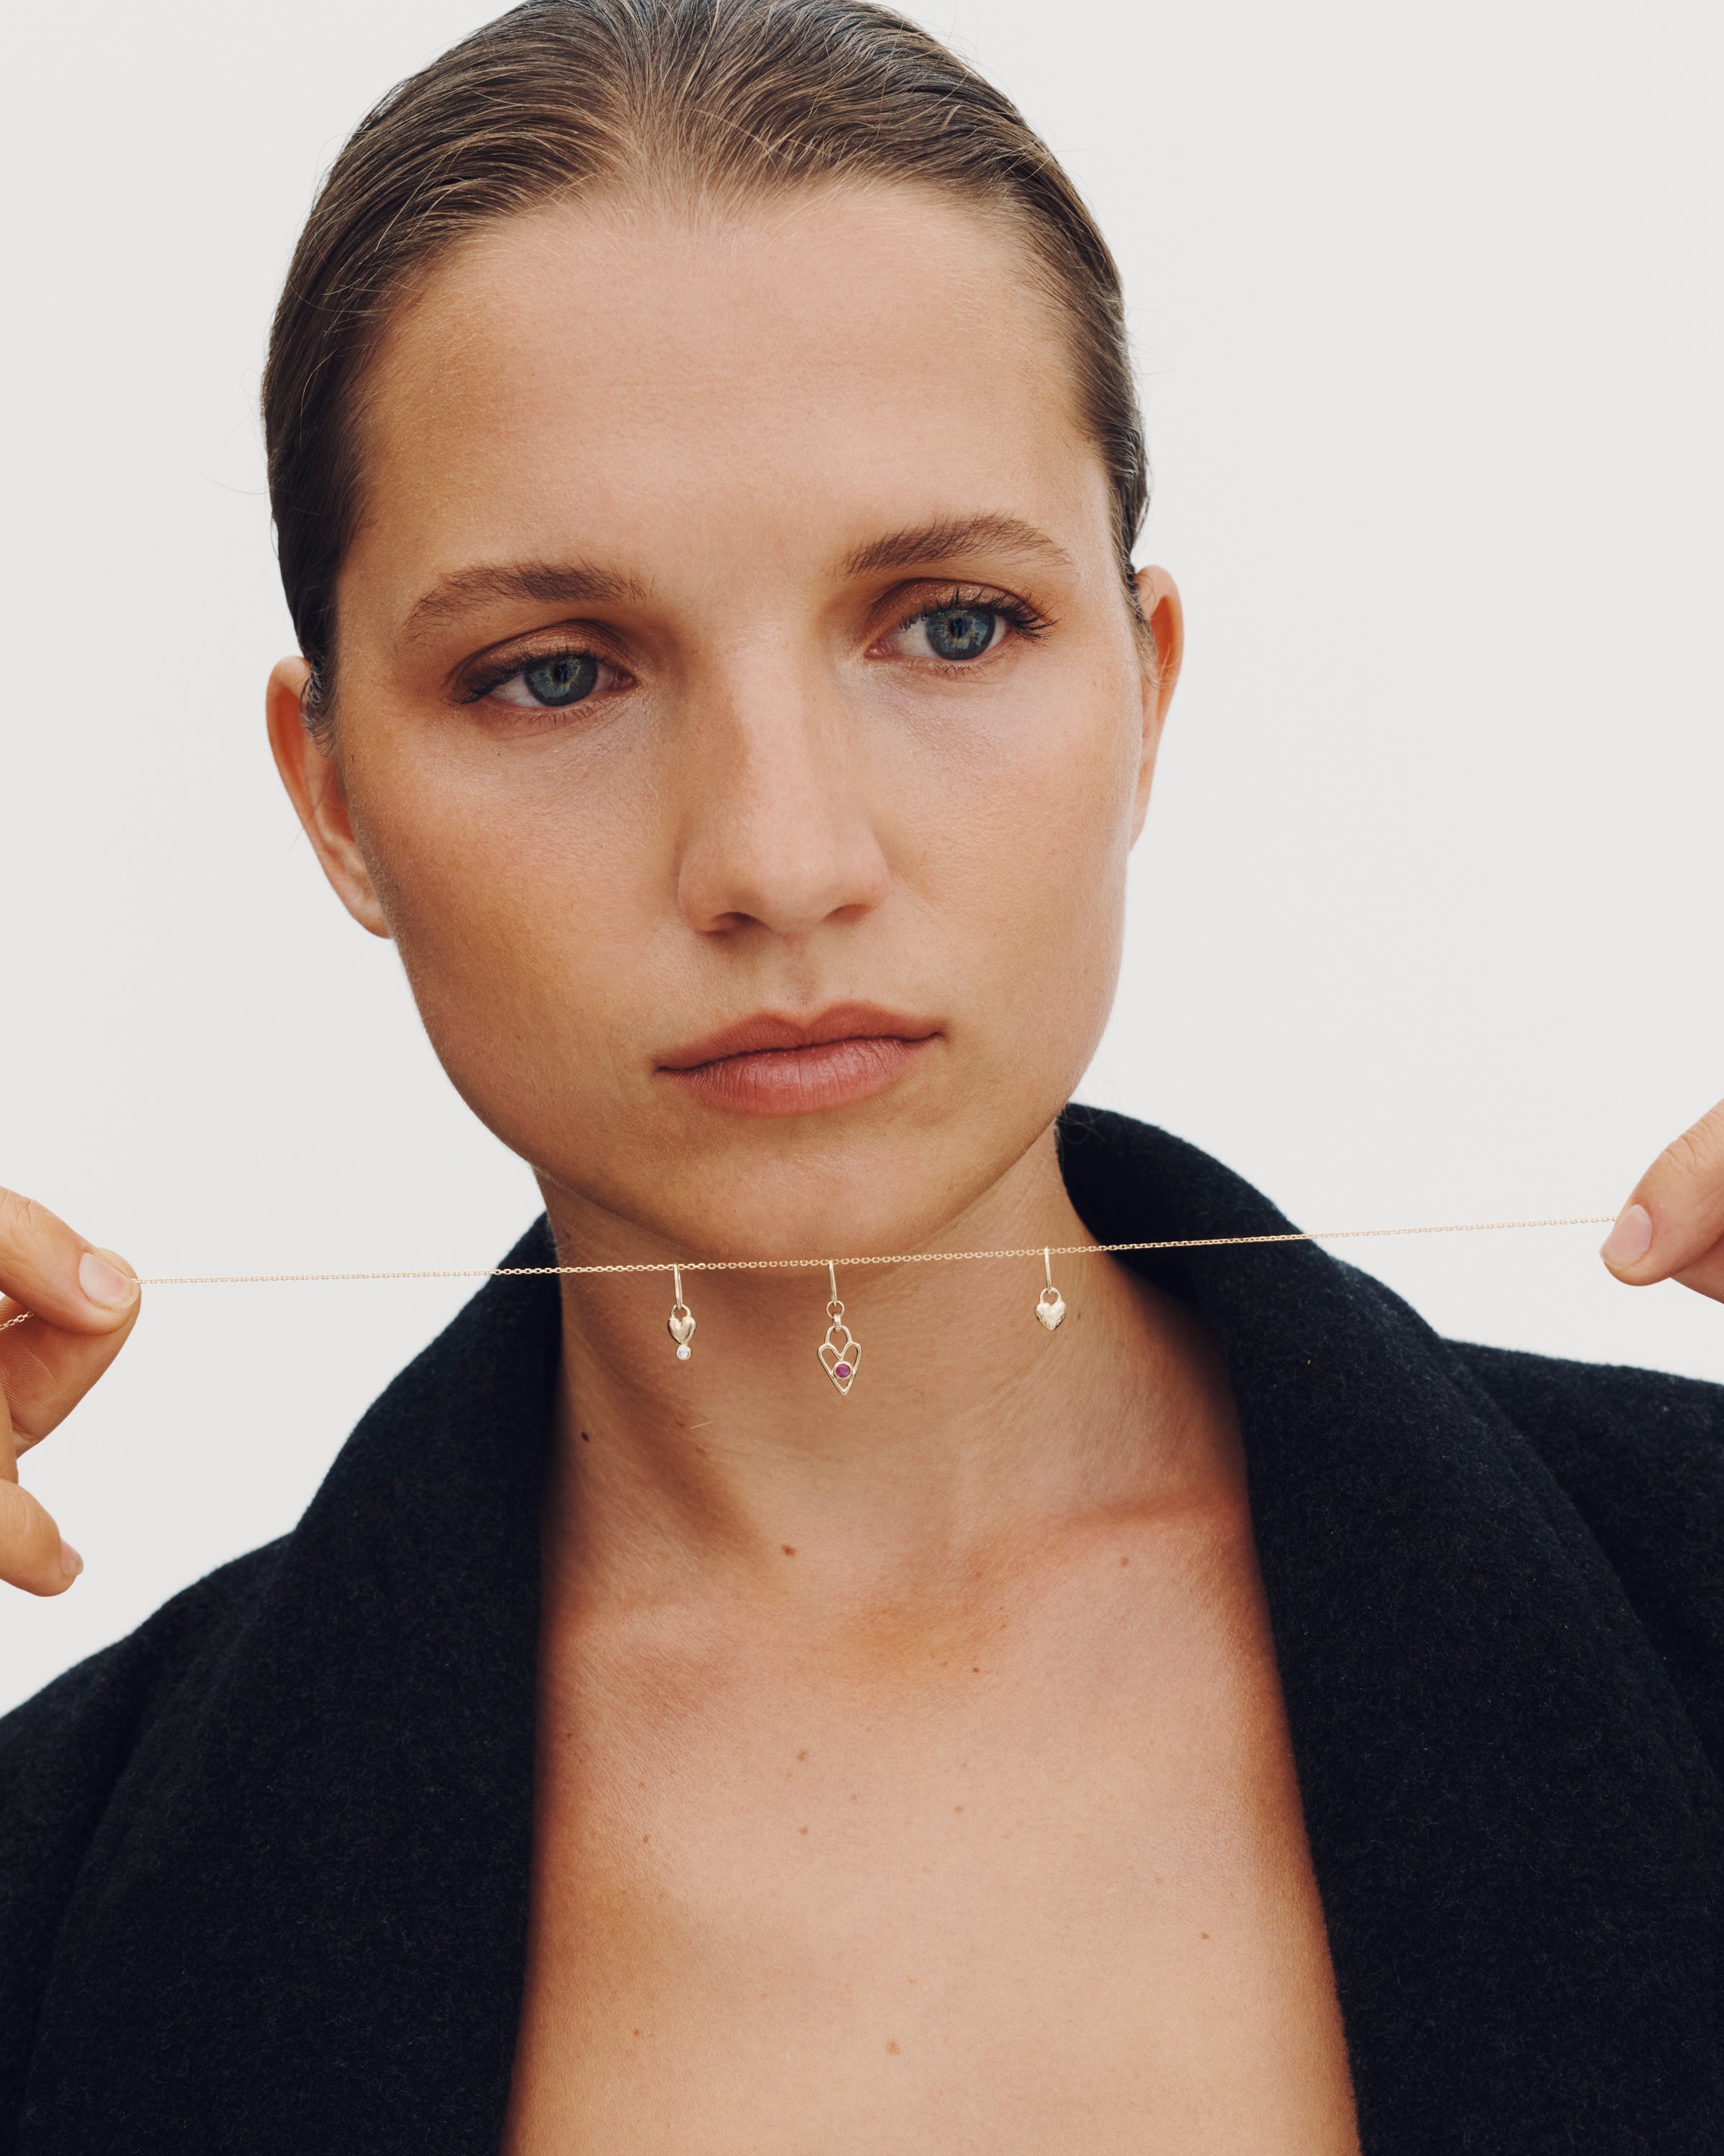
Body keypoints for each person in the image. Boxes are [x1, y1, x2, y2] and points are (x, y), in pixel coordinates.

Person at [2, 1, 1721, 2148]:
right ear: (332, 791)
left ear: (1145, 684)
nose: (782, 859)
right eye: (554, 673)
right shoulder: (51, 1900)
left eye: (951, 625)